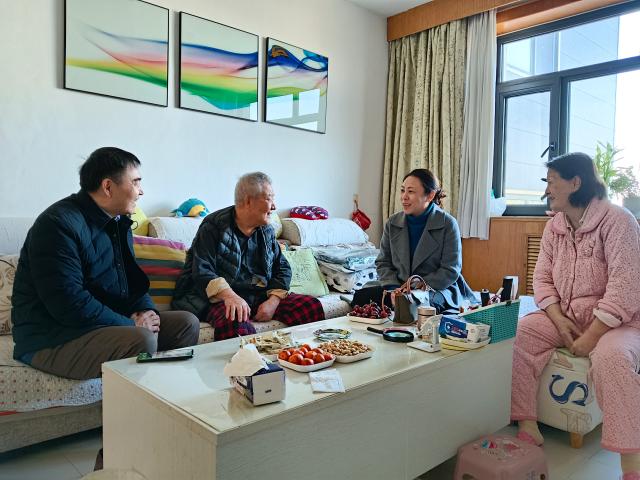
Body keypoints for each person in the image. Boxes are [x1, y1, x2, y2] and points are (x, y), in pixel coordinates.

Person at [11, 147, 200, 380]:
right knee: (142, 339)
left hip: (102, 325)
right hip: (52, 337)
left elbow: (131, 281)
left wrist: (146, 311)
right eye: (136, 182)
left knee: (186, 323)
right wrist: (130, 324)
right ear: (108, 187)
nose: (141, 191)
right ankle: (134, 401)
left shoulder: (118, 221)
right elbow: (69, 304)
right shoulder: (57, 225)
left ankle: (164, 394)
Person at [511, 152, 640, 480]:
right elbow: (541, 279)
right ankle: (527, 422)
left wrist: (592, 336)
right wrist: (557, 317)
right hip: (566, 315)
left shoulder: (619, 221)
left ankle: (631, 465)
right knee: (522, 333)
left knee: (612, 359)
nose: (546, 190)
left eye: (552, 182)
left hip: (619, 323)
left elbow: (625, 287)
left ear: (576, 182)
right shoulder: (554, 227)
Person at [172, 172, 324, 340]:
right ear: (248, 201)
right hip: (218, 298)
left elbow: (282, 268)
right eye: (269, 199)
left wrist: (273, 301)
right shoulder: (213, 226)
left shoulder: (266, 230)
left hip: (257, 296)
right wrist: (231, 297)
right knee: (235, 320)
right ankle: (250, 358)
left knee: (310, 306)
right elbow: (202, 271)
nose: (274, 206)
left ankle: (303, 356)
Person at [357, 168, 475, 313]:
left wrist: (416, 288)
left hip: (434, 289)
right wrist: (394, 289)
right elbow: (383, 263)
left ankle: (405, 307)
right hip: (397, 287)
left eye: (411, 192)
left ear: (430, 195)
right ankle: (399, 304)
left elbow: (450, 270)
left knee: (417, 304)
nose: (404, 197)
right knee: (360, 297)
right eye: (402, 190)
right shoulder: (392, 222)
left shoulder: (448, 224)